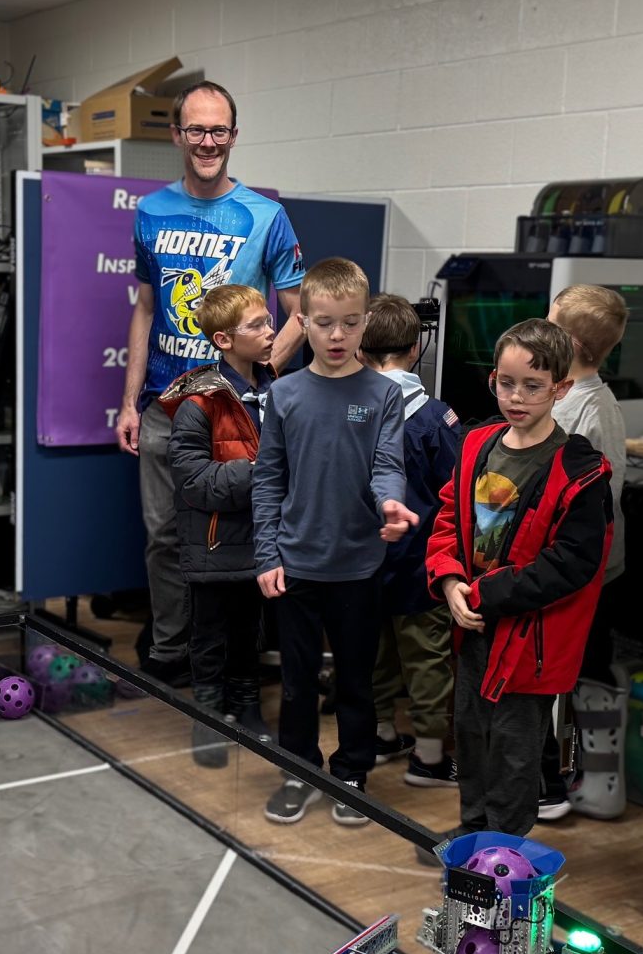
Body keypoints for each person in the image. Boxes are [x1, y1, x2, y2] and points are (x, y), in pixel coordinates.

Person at [116, 82, 306, 686]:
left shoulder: (265, 215)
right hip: (165, 408)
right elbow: (145, 308)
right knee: (165, 537)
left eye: (218, 130)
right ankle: (172, 652)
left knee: (239, 536)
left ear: (233, 135)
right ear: (176, 135)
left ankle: (232, 660)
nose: (207, 141)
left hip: (234, 413)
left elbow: (300, 310)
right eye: (195, 129)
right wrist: (128, 403)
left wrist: (257, 374)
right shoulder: (150, 212)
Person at [423, 319, 611, 853]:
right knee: (472, 735)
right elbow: (446, 521)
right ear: (493, 380)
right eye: (507, 383)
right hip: (473, 627)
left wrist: (484, 594)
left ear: (561, 389)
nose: (517, 396)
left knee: (513, 748)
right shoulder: (476, 444)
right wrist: (451, 580)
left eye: (533, 386)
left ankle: (504, 851)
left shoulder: (581, 470)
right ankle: (472, 829)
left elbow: (571, 563)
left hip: (528, 641)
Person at [252, 258, 416, 825]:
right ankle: (297, 769)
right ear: (304, 321)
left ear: (366, 321)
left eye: (350, 322)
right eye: (324, 322)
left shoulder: (383, 395)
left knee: (355, 678)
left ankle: (351, 771)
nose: (338, 335)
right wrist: (267, 553)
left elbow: (387, 466)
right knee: (296, 682)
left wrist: (391, 502)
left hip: (358, 565)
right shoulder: (286, 394)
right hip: (296, 563)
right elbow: (269, 478)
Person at [160, 283, 276, 767]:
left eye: (269, 321)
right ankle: (206, 715)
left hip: (261, 543)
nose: (271, 332)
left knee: (250, 631)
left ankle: (246, 703)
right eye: (258, 325)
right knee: (209, 635)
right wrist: (264, 469)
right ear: (224, 340)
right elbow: (194, 482)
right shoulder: (199, 403)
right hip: (212, 545)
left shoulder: (277, 389)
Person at [362, 293, 465, 788]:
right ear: (415, 347)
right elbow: (458, 491)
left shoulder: (349, 410)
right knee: (426, 656)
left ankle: (381, 734)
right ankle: (427, 755)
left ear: (360, 349)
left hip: (363, 560)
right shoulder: (434, 418)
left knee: (374, 648)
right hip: (421, 562)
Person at [543, 284, 631, 820]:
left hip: (582, 571)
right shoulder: (571, 397)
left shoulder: (588, 411)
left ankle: (572, 778)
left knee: (573, 673)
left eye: (548, 320)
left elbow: (590, 500)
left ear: (569, 340)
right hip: (579, 566)